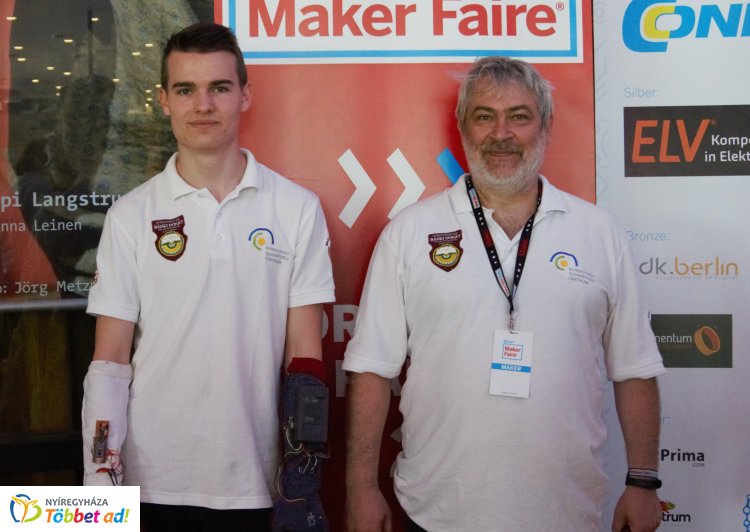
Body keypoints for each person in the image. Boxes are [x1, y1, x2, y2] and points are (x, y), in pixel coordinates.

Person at [343, 56, 664, 532]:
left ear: (545, 126)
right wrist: (360, 488)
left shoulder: (599, 233)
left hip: (566, 512)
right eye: (484, 116)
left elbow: (635, 367)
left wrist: (643, 482)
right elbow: (372, 369)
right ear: (462, 127)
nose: (501, 133)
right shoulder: (409, 233)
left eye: (519, 116)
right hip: (435, 511)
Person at [81, 22, 335, 531]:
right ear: (163, 100)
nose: (203, 105)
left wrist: (300, 478)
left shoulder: (297, 208)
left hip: (257, 483)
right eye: (185, 90)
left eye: (219, 87)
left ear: (245, 95)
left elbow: (305, 360)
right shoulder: (130, 215)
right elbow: (109, 363)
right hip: (149, 483)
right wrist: (99, 482)